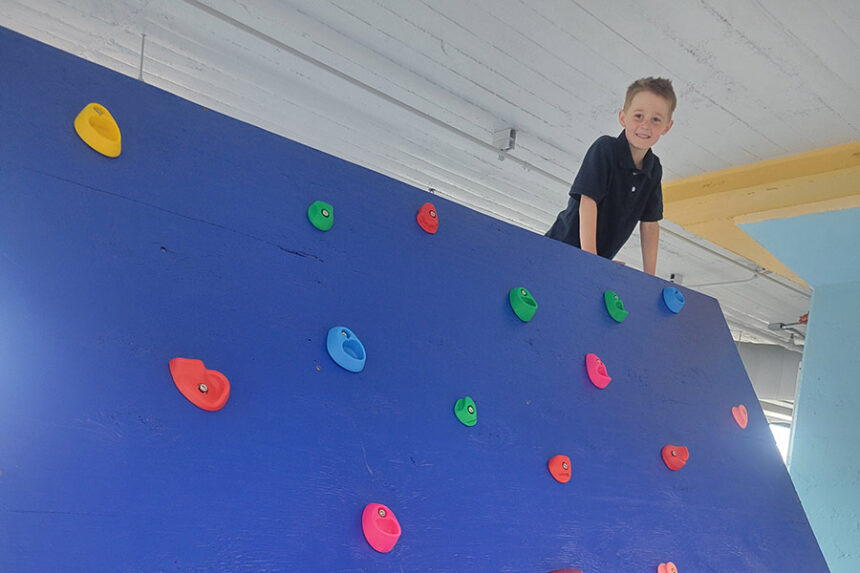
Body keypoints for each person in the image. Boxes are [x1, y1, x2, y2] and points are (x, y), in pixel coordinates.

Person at [545, 77, 676, 275]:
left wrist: (650, 277)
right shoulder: (606, 149)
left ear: (666, 127)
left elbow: (650, 224)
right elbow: (588, 202)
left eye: (656, 119)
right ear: (623, 117)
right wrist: (592, 258)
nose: (646, 125)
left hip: (594, 260)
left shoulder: (654, 169)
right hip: (561, 246)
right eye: (639, 116)